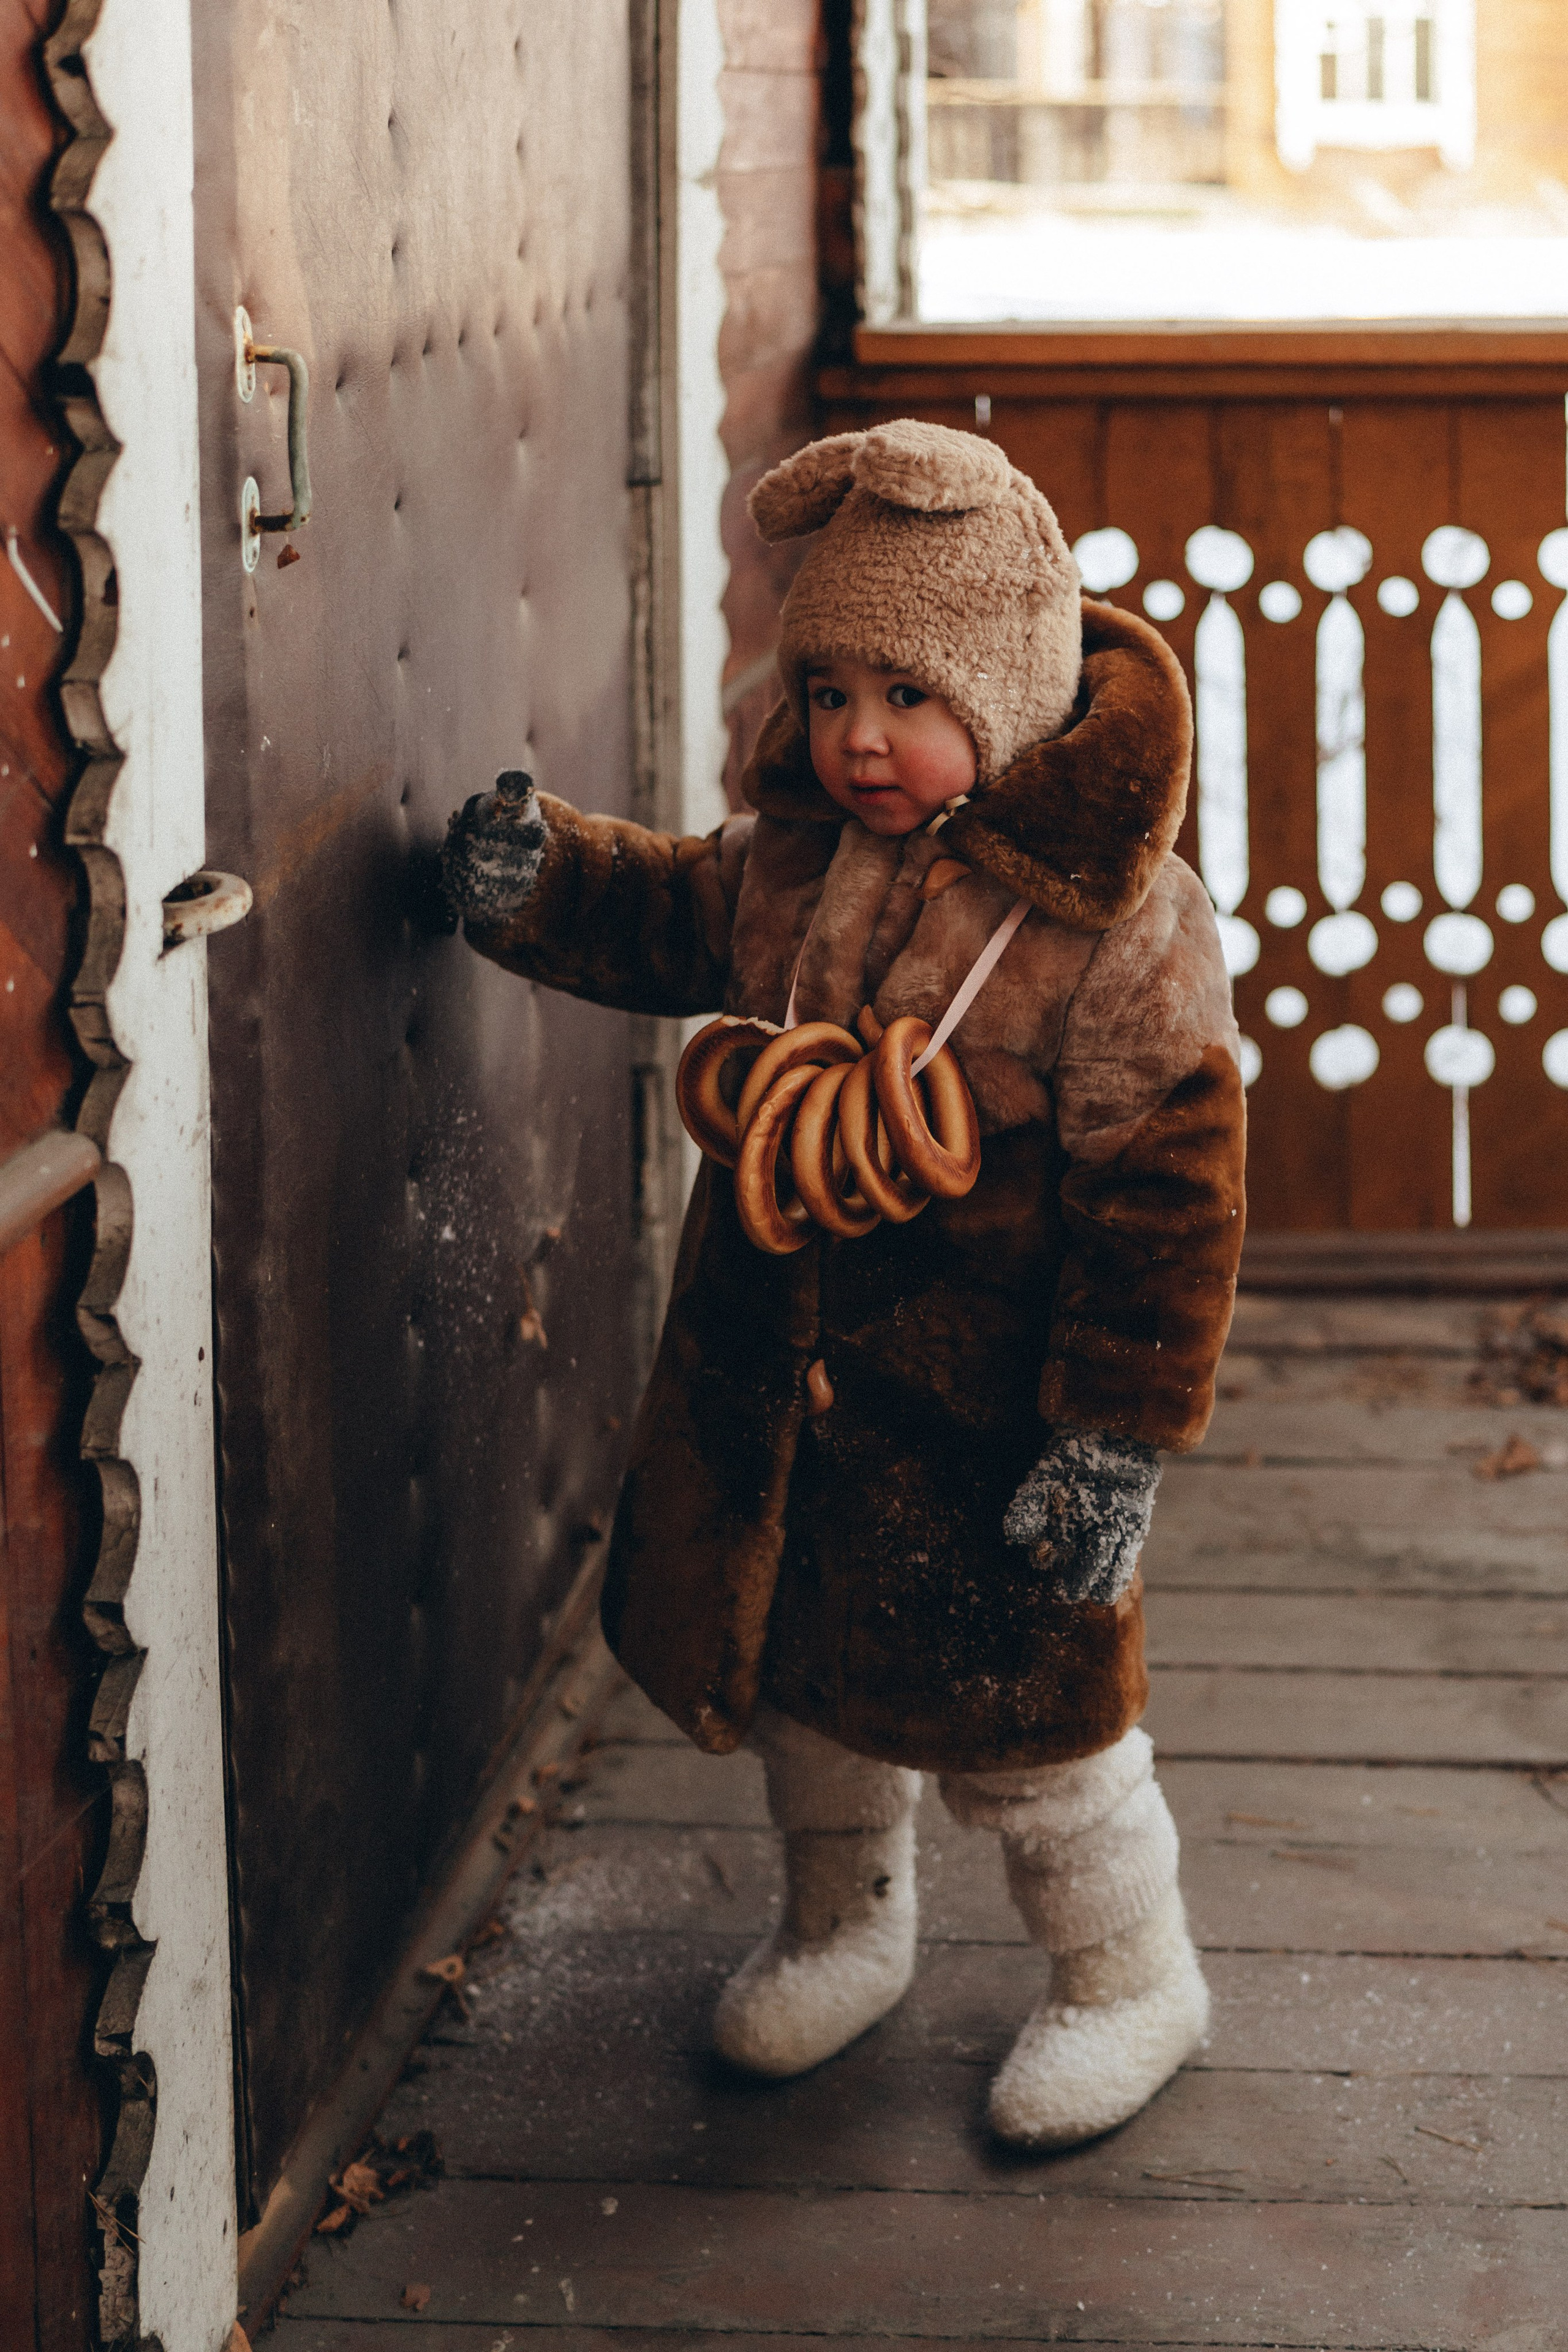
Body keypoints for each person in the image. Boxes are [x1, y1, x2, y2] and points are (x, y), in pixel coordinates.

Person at [440, 419, 1245, 2147]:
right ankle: (842, 1925)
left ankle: (1128, 1972)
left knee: (1034, 1723)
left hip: (992, 1404)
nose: (860, 737)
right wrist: (545, 882)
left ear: (1014, 689)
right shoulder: (799, 862)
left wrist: (1113, 1436)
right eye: (829, 692)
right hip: (779, 1376)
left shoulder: (1120, 929)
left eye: (908, 692)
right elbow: (673, 916)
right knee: (802, 1672)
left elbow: (1172, 1188)